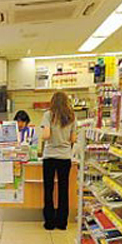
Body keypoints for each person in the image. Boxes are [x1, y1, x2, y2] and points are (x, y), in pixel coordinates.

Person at [40, 92, 76, 230]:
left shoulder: (48, 115)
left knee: (48, 190)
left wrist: (44, 134)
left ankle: (49, 222)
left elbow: (46, 135)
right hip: (65, 157)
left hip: (50, 157)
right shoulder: (72, 116)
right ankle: (62, 223)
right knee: (63, 190)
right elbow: (73, 139)